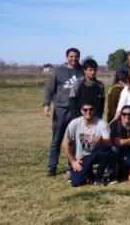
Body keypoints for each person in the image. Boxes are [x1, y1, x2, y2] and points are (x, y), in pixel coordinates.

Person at [43, 47, 83, 177]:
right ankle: (52, 166)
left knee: (74, 140)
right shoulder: (58, 72)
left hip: (76, 110)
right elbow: (50, 90)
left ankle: (71, 165)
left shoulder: (82, 71)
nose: (74, 59)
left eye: (76, 56)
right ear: (67, 57)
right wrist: (46, 105)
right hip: (61, 109)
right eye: (71, 56)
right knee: (57, 139)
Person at [62, 103, 112, 186]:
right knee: (76, 182)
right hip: (81, 158)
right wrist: (73, 161)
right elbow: (65, 143)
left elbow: (109, 142)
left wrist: (99, 140)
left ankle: (98, 178)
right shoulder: (74, 123)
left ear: (94, 110)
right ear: (81, 111)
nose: (88, 112)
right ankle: (89, 174)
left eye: (91, 109)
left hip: (96, 154)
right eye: (85, 110)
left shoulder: (102, 123)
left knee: (107, 151)